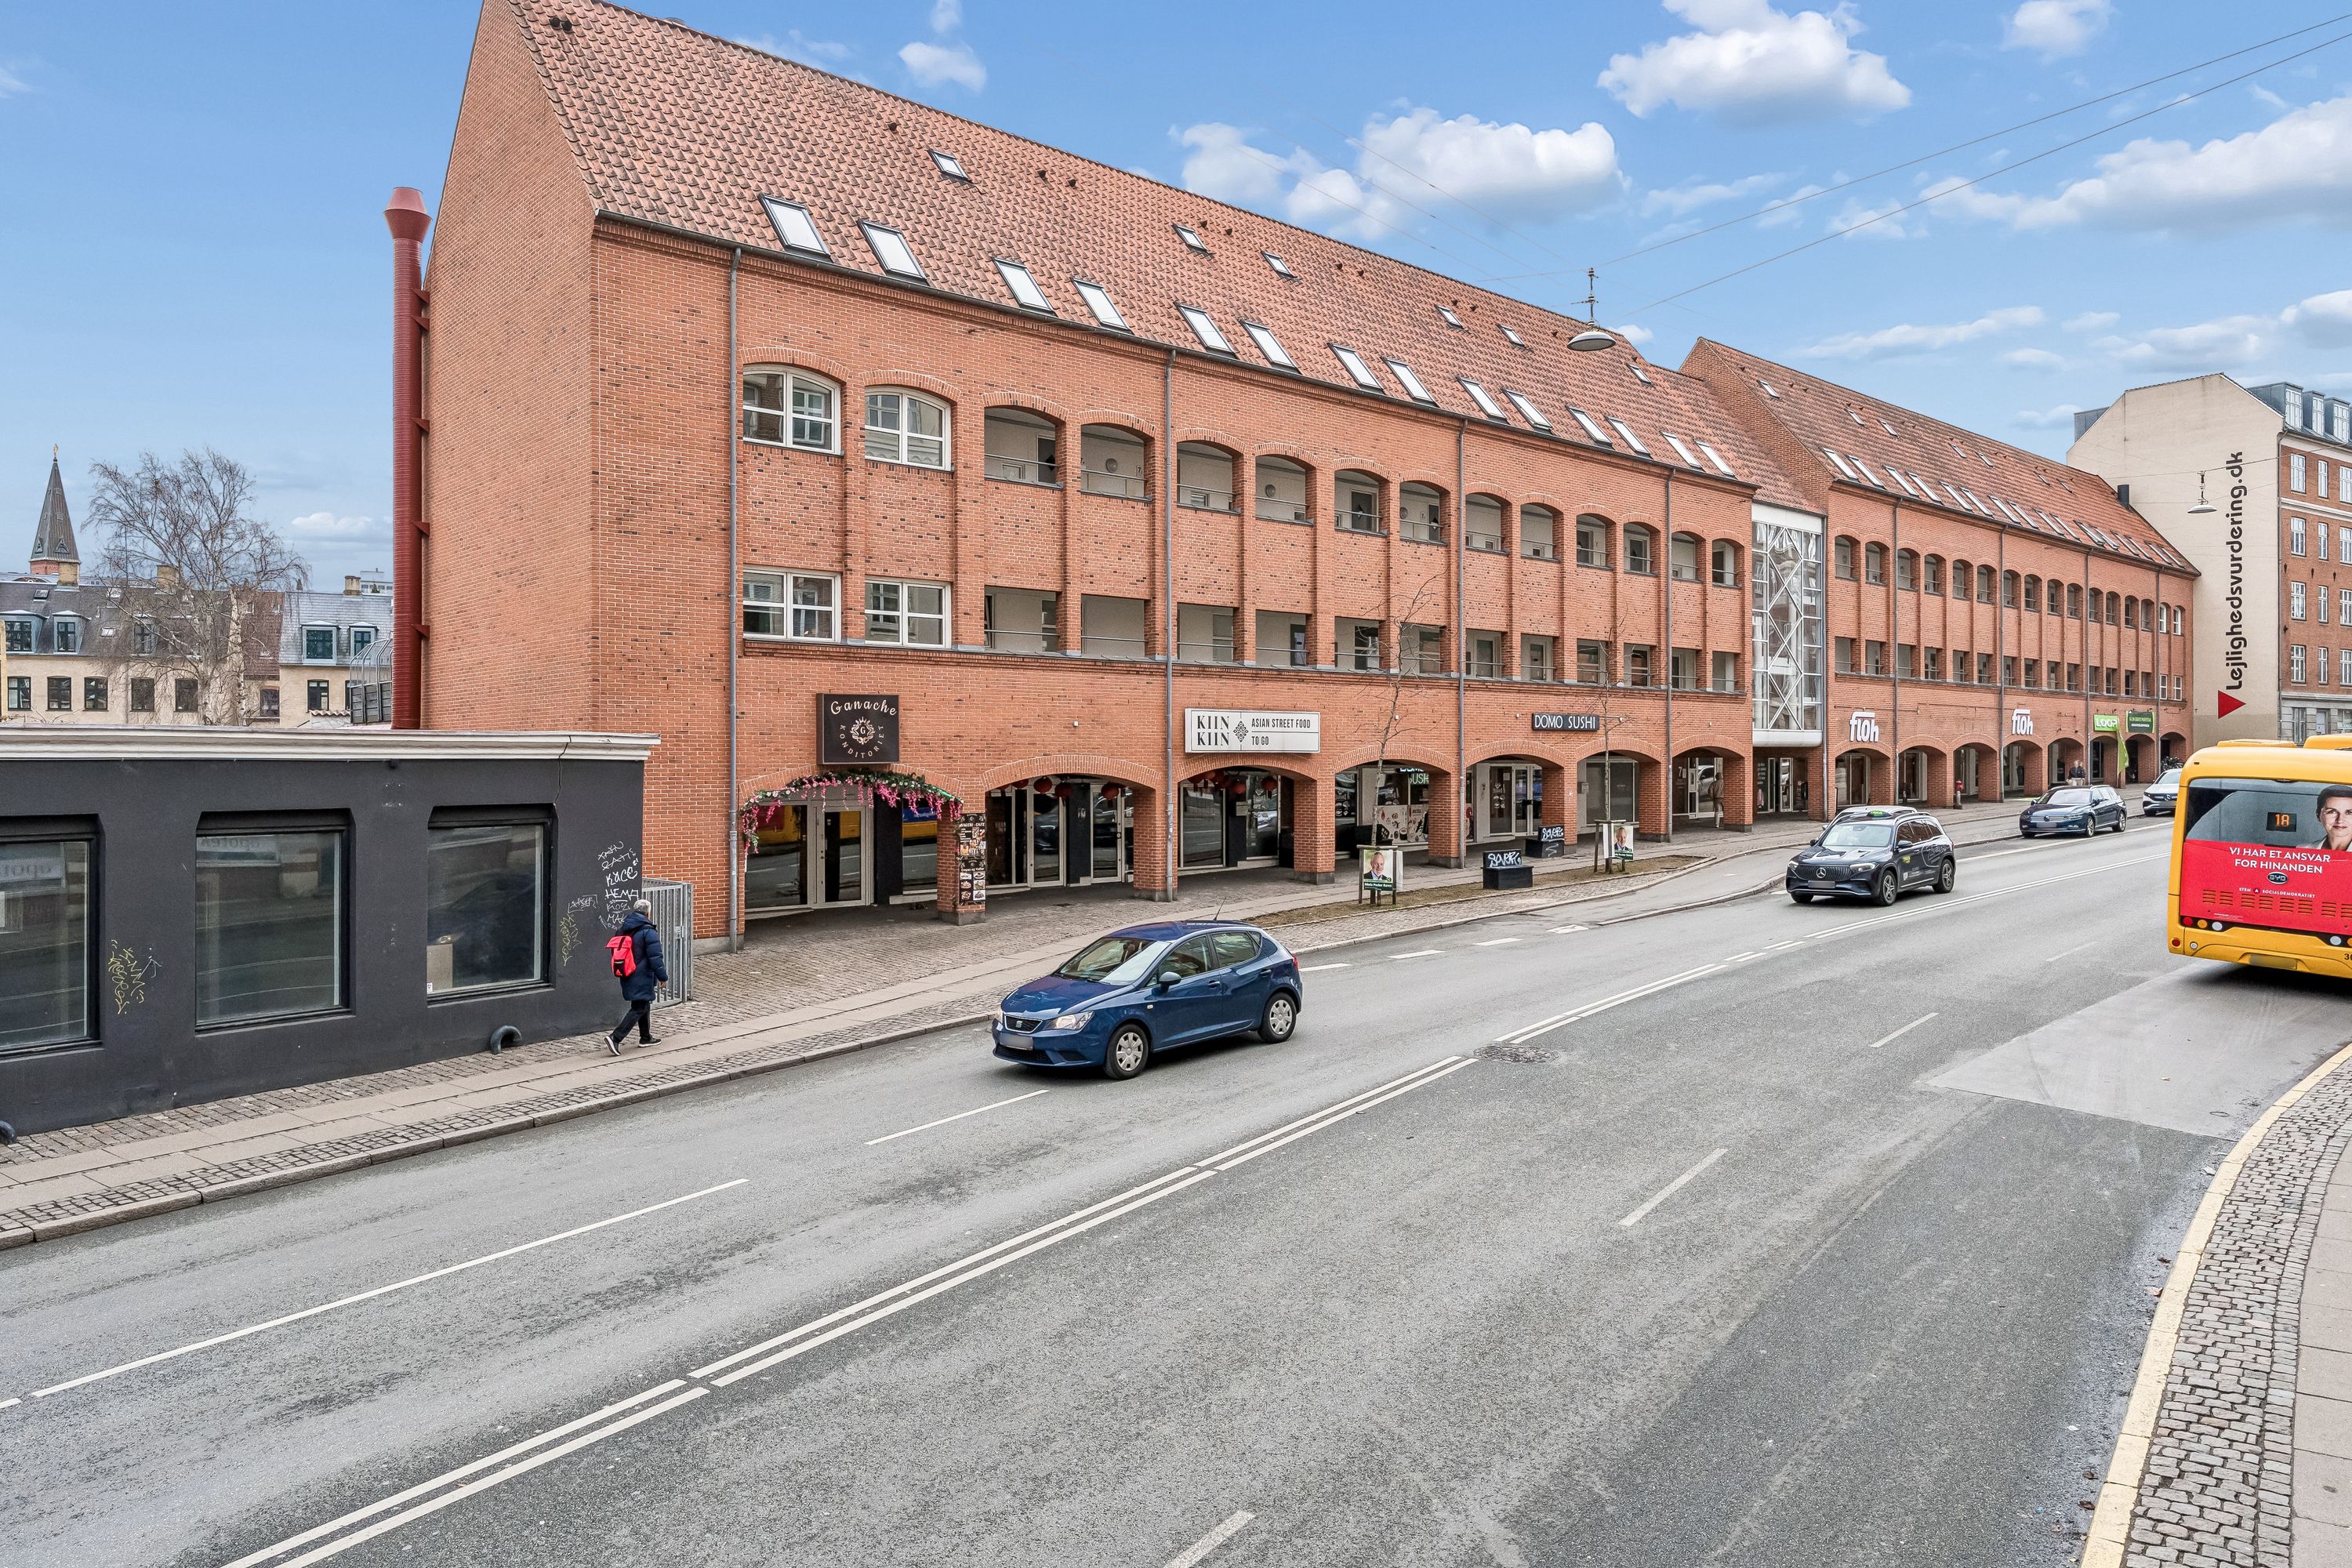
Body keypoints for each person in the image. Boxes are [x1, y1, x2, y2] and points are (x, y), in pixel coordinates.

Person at [606, 898, 667, 1054]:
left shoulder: (622, 929)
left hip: (627, 972)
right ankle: (615, 1038)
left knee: (643, 1003)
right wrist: (663, 976)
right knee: (639, 1007)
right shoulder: (648, 931)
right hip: (642, 975)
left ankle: (645, 1037)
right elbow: (655, 957)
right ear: (648, 913)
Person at [2310, 785, 2352, 853]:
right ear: (2318, 815)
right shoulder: (2302, 849)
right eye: (2332, 812)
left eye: (2349, 813)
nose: (2340, 820)